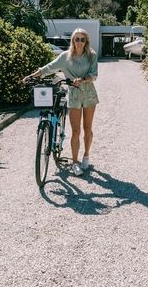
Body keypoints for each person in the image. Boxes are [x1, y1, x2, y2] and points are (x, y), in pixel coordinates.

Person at [23, 28, 99, 176]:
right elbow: (49, 68)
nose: (79, 42)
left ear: (86, 41)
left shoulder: (92, 56)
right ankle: (75, 163)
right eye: (76, 39)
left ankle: (86, 156)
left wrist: (83, 79)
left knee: (87, 128)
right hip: (73, 95)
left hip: (89, 94)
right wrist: (32, 75)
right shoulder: (65, 57)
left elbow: (94, 75)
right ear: (72, 41)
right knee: (76, 131)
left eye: (82, 39)